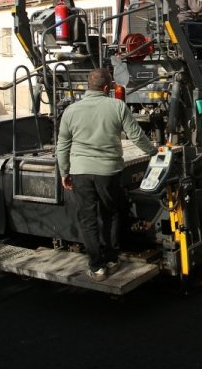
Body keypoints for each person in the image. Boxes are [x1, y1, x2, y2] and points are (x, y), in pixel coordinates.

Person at [56, 68, 155, 281]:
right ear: (107, 87)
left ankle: (96, 266)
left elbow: (62, 145)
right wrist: (155, 152)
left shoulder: (71, 111)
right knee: (110, 212)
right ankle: (111, 257)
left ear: (89, 86)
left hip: (80, 171)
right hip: (108, 171)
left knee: (88, 218)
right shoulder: (117, 106)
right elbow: (136, 135)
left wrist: (64, 171)